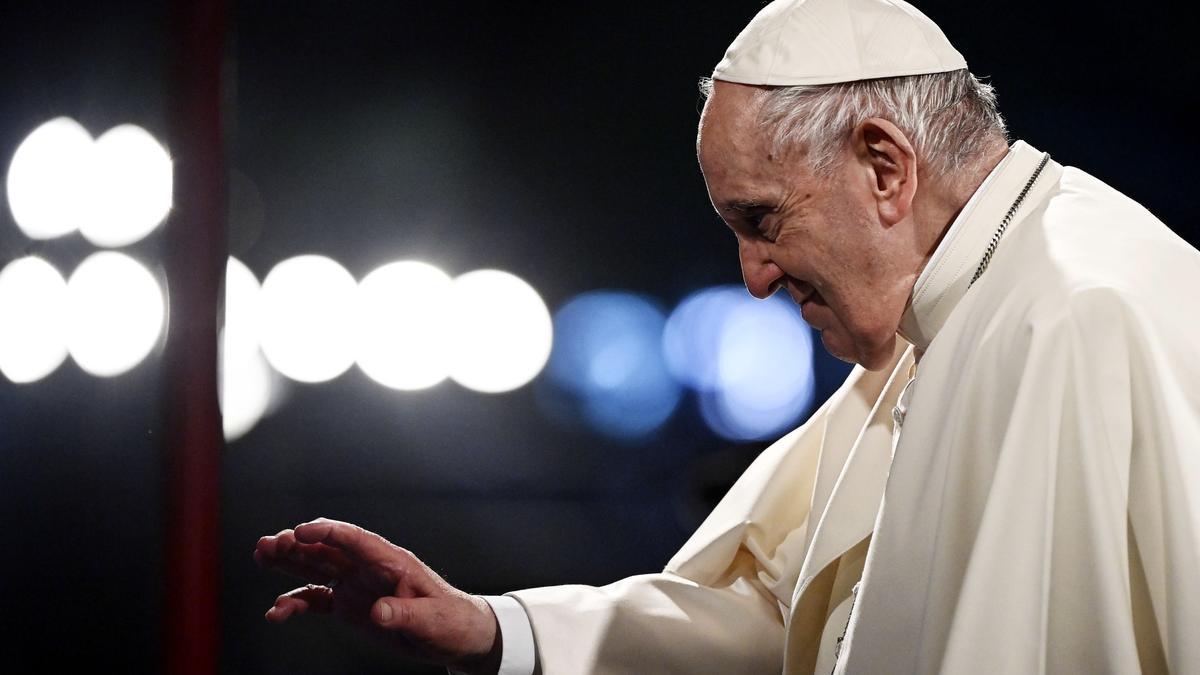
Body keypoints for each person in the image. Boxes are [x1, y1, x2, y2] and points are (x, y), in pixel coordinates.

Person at [254, 0, 1200, 672]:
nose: (752, 276)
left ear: (885, 166)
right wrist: (492, 628)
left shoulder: (1079, 313)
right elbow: (789, 619)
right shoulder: (950, 305)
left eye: (762, 220)